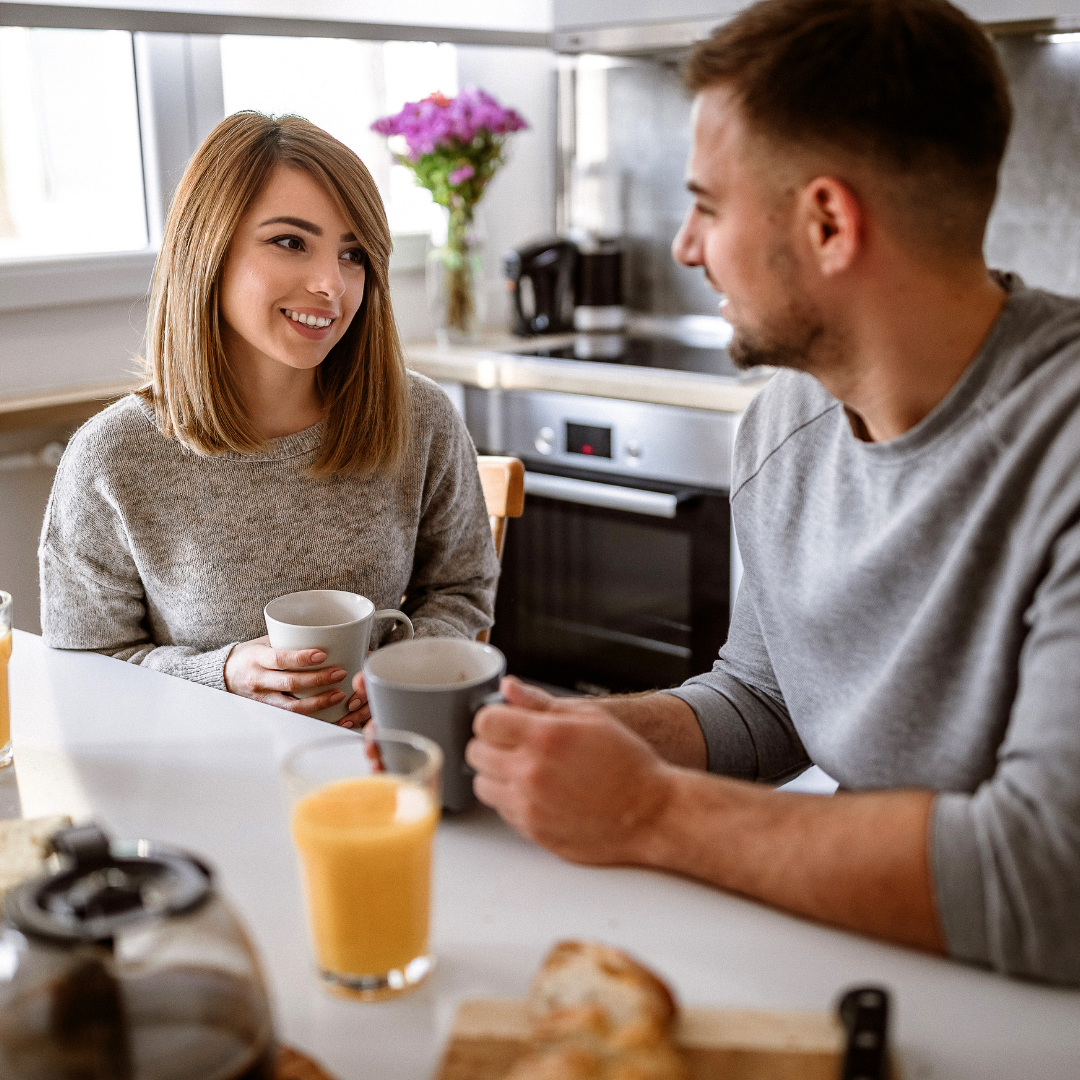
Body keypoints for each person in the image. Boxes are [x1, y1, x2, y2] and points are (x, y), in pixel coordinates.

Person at [467, 0, 1080, 985]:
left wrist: (647, 809)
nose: (683, 246)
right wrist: (556, 737)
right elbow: (766, 698)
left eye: (707, 203)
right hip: (875, 964)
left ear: (829, 222)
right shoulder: (783, 420)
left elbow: (1050, 882)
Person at [40, 113, 499, 725]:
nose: (331, 285)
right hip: (197, 781)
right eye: (290, 242)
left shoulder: (422, 421)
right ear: (209, 249)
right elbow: (83, 665)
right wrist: (220, 676)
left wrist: (397, 675)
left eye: (354, 255)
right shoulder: (112, 457)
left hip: (372, 769)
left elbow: (462, 590)